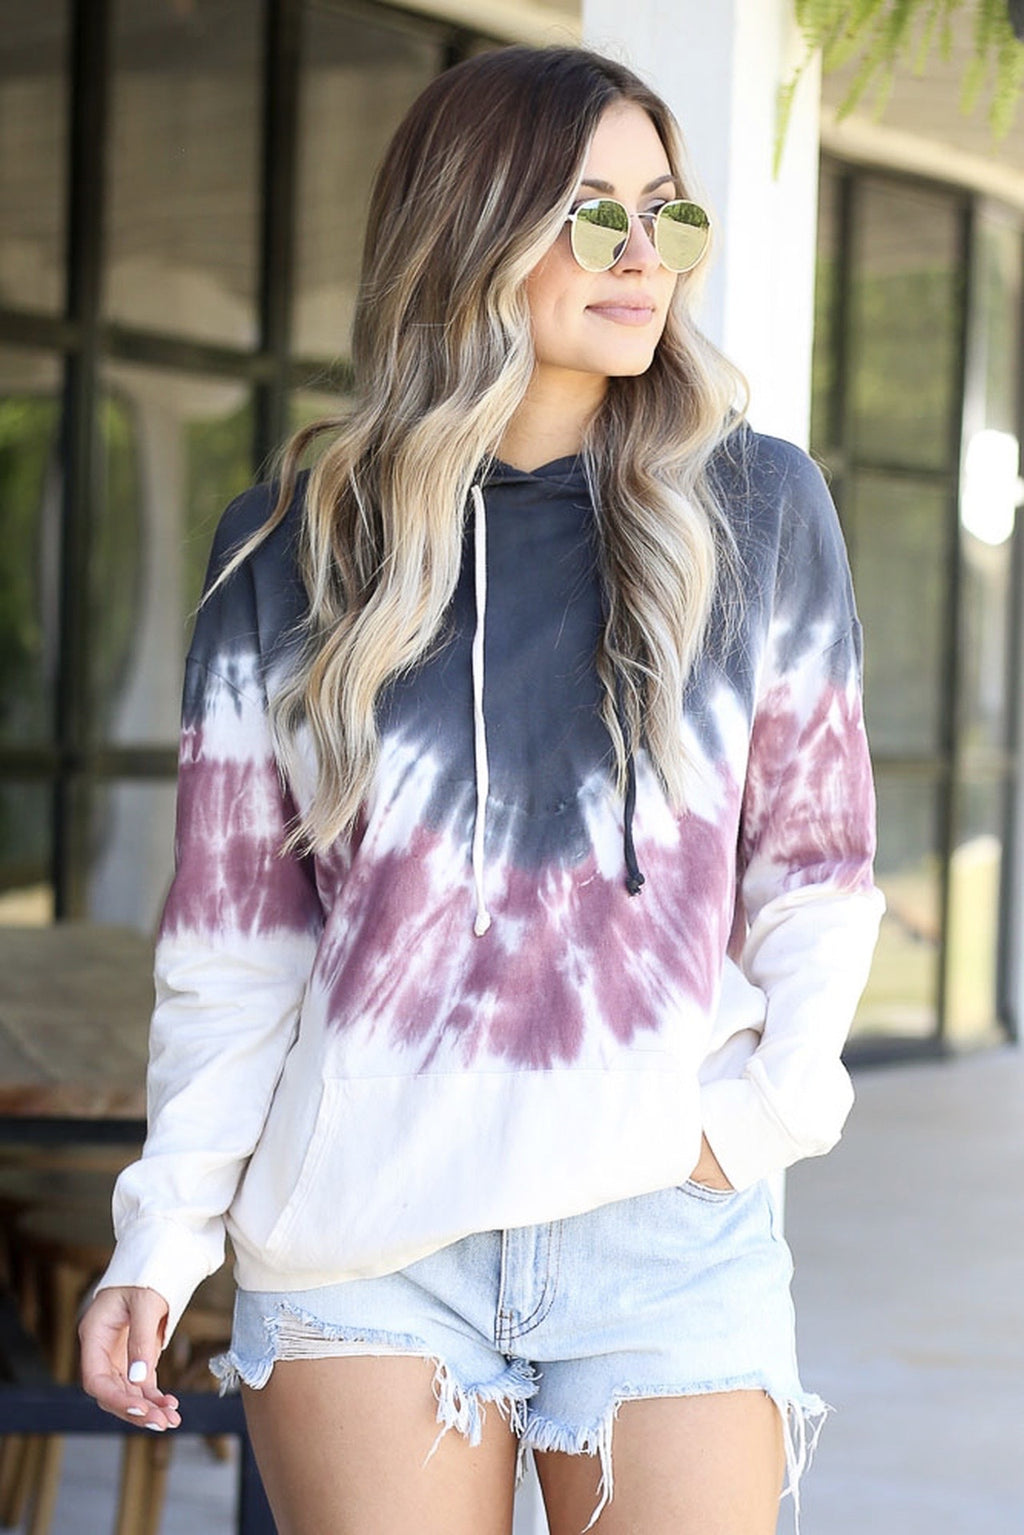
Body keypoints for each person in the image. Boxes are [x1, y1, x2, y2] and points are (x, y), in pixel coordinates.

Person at [79, 44, 883, 1535]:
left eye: (667, 211)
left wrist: (759, 1121)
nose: (643, 256)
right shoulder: (293, 546)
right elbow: (237, 952)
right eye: (593, 213)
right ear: (472, 225)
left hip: (664, 1233)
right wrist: (162, 1236)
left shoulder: (756, 505)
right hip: (365, 1248)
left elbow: (819, 873)